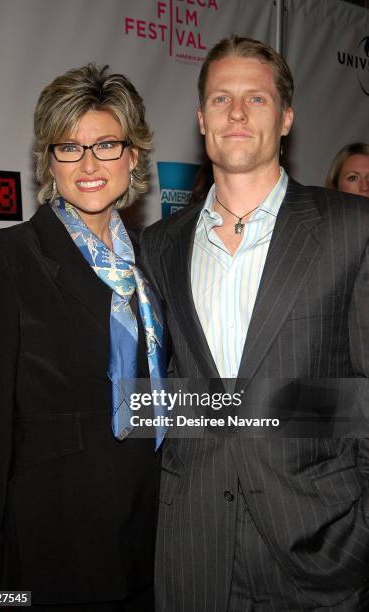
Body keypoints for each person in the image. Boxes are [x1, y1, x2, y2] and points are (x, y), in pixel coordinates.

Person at [141, 35, 369, 611]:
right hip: (193, 547)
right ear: (200, 117)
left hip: (321, 546)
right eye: (221, 99)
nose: (237, 112)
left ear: (287, 117)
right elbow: (154, 397)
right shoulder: (158, 245)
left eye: (257, 99)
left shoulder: (353, 228)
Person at [0, 63, 163, 612]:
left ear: (134, 156)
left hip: (149, 537)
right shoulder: (2, 258)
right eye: (69, 148)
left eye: (105, 144)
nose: (89, 164)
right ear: (50, 161)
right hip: (53, 543)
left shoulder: (155, 262)